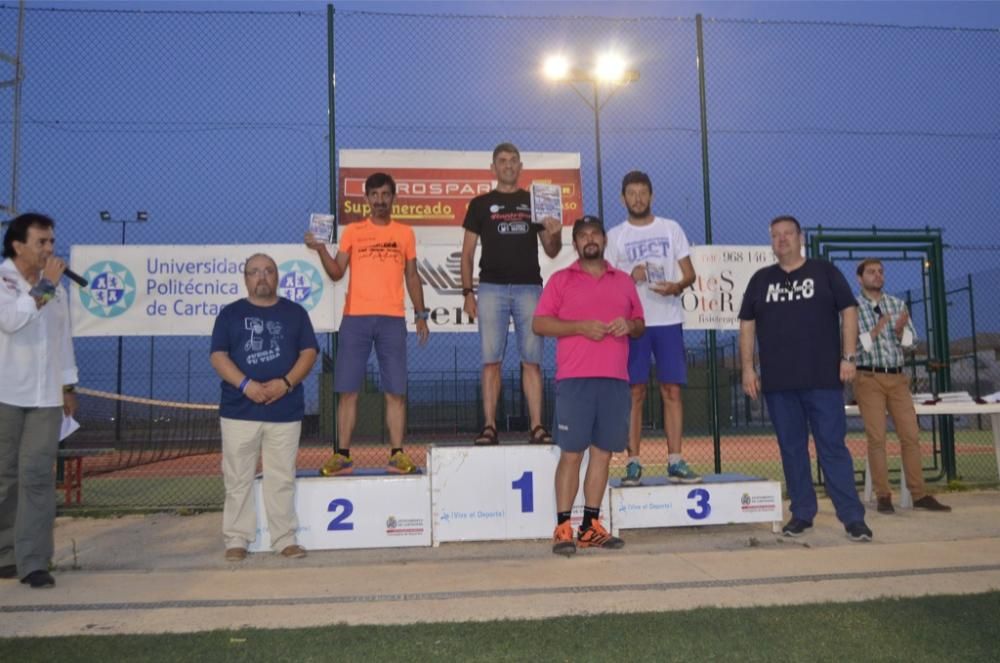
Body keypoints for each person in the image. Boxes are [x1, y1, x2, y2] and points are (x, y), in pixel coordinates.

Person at [738, 215, 873, 542]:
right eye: (775, 235)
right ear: (771, 241)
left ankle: (853, 518)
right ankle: (802, 513)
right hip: (780, 383)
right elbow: (746, 324)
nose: (782, 239)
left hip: (823, 379)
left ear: (801, 237)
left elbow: (849, 311)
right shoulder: (760, 280)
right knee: (792, 449)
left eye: (787, 234)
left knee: (832, 448)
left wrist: (849, 356)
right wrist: (747, 368)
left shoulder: (824, 272)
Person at [305, 172, 430, 475]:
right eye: (374, 195)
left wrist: (421, 313)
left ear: (393, 197)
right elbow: (336, 272)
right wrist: (322, 249)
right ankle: (342, 455)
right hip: (355, 319)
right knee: (347, 390)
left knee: (396, 391)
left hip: (392, 320)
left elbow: (412, 275)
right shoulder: (353, 232)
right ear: (366, 199)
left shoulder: (405, 233)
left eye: (385, 194)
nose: (379, 200)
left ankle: (397, 454)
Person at [533, 215, 644, 555]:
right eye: (582, 235)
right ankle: (563, 527)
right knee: (571, 454)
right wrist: (580, 327)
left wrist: (629, 325)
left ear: (604, 241)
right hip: (575, 379)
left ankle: (591, 526)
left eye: (595, 233)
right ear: (576, 243)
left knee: (602, 455)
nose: (589, 239)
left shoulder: (623, 281)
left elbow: (640, 324)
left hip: (614, 380)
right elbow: (539, 323)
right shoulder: (560, 280)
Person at [210, 253, 319, 562]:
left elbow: (308, 352)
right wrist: (247, 385)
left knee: (281, 477)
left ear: (277, 277)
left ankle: (284, 538)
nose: (262, 277)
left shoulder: (295, 313)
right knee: (237, 478)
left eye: (268, 271)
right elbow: (218, 356)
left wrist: (285, 383)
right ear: (245, 278)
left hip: (284, 411)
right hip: (238, 410)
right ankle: (237, 539)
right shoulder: (229, 314)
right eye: (254, 272)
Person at [461, 142, 562, 445]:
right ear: (492, 167)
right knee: (491, 360)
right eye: (502, 161)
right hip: (490, 288)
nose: (507, 165)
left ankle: (537, 426)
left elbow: (552, 251)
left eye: (513, 161)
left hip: (529, 287)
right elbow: (466, 254)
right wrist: (468, 292)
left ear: (520, 167)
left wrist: (555, 232)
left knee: (532, 360)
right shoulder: (480, 204)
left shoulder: (534, 202)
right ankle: (490, 426)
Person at [605, 171, 700, 485]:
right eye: (631, 193)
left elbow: (689, 274)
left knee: (672, 390)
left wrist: (676, 286)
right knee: (635, 392)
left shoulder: (670, 228)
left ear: (651, 195)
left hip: (668, 320)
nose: (637, 198)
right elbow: (607, 280)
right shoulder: (615, 235)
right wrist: (631, 274)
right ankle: (633, 462)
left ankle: (675, 461)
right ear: (623, 198)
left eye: (642, 192)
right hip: (635, 324)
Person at [0, 213, 78, 589]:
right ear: (18, 245)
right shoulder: (4, 280)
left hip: (45, 397)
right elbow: (12, 321)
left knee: (36, 478)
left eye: (51, 241)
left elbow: (63, 339)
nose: (50, 248)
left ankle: (32, 561)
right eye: (41, 242)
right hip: (6, 394)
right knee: (4, 478)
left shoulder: (57, 290)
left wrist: (68, 386)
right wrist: (45, 286)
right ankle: (5, 555)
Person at [853, 259, 950, 514]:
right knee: (877, 438)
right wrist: (876, 330)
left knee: (911, 436)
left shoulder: (897, 304)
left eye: (880, 271)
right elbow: (850, 345)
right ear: (859, 278)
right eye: (871, 272)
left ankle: (919, 495)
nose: (877, 275)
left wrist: (900, 333)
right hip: (869, 378)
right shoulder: (852, 307)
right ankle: (883, 496)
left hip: (897, 379)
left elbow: (912, 342)